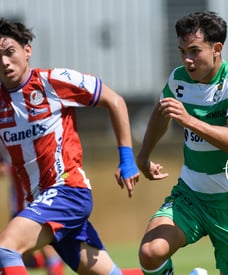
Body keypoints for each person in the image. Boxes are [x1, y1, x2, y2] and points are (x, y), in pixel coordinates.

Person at [0, 17, 142, 274]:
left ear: (27, 50)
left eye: (10, 52)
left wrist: (127, 159)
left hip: (68, 191)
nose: (4, 62)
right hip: (41, 201)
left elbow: (115, 100)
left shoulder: (51, 82)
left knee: (6, 249)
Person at [136, 11, 228, 275]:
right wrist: (143, 157)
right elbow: (162, 113)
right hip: (191, 195)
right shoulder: (179, 79)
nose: (187, 60)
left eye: (194, 51)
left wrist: (189, 119)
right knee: (150, 252)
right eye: (182, 51)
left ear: (217, 48)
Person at [0, 147, 65, 275]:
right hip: (17, 207)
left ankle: (56, 264)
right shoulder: (5, 138)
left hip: (35, 206)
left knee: (10, 250)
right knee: (19, 256)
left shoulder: (34, 143)